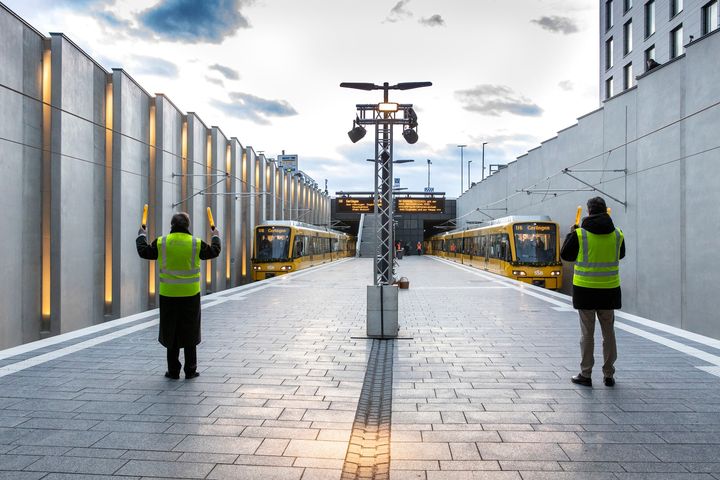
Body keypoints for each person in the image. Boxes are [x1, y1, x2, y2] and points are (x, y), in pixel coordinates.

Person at [136, 212, 221, 380]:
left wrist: (141, 235)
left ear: (171, 225)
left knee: (171, 331)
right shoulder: (195, 243)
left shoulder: (162, 242)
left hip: (168, 295)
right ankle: (190, 370)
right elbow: (214, 251)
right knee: (190, 330)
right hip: (190, 294)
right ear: (187, 226)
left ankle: (173, 371)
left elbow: (144, 252)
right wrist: (216, 236)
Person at [561, 197, 625, 387]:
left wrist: (571, 235)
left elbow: (566, 255)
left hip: (585, 291)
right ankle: (608, 374)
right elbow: (620, 254)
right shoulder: (617, 234)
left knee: (587, 334)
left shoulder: (580, 234)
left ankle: (586, 374)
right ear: (606, 211)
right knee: (609, 333)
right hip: (609, 290)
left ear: (588, 212)